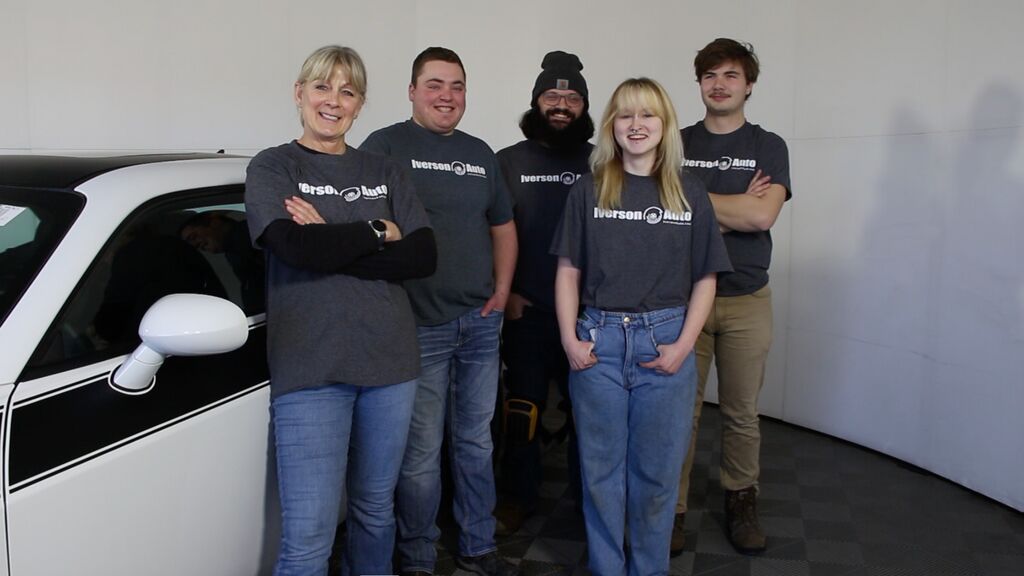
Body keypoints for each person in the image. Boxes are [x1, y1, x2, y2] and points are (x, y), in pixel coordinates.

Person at [244, 45, 436, 575]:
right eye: (322, 87)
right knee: (309, 537)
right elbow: (293, 248)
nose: (333, 101)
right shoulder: (274, 166)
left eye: (347, 91)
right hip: (311, 370)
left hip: (390, 365)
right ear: (299, 93)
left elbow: (422, 257)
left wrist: (329, 240)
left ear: (360, 104)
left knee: (375, 511)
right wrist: (376, 230)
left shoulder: (385, 169)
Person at [553, 77, 731, 576]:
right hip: (599, 343)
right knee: (600, 475)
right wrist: (570, 339)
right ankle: (607, 568)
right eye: (626, 115)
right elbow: (568, 270)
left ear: (665, 124)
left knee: (656, 477)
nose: (636, 125)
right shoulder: (589, 189)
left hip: (665, 341)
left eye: (648, 114)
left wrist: (684, 346)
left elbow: (706, 277)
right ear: (611, 124)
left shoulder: (688, 191)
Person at [359, 47, 519, 576]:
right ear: (411, 91)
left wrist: (501, 292)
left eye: (456, 86)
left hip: (479, 323)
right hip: (417, 326)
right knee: (421, 452)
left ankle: (477, 545)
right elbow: (365, 225)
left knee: (475, 441)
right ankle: (418, 555)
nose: (446, 96)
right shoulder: (384, 147)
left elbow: (502, 226)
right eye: (434, 84)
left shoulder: (480, 153)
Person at [671, 38, 792, 556]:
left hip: (747, 297)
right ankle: (672, 508)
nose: (718, 85)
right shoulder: (675, 143)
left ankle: (741, 501)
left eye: (730, 75)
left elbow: (761, 216)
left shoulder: (769, 145)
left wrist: (694, 201)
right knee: (680, 413)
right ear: (699, 84)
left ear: (749, 85)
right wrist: (733, 204)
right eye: (710, 76)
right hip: (682, 299)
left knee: (742, 413)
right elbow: (663, 215)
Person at [494, 50, 593, 535]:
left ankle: (587, 503)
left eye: (572, 99)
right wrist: (506, 293)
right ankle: (518, 497)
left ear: (584, 107)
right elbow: (491, 232)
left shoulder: (603, 161)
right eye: (552, 96)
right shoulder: (508, 162)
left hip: (590, 316)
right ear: (536, 102)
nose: (561, 105)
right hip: (528, 311)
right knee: (522, 412)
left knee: (590, 416)